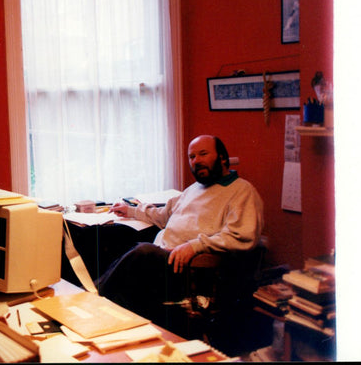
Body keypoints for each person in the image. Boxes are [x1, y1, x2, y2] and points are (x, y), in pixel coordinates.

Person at [97, 135, 263, 326]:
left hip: (192, 273)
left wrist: (195, 246)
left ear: (222, 158)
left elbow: (241, 237)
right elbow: (164, 215)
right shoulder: (194, 189)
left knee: (142, 253)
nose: (196, 161)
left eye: (203, 154)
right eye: (192, 156)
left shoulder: (242, 191)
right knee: (117, 243)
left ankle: (89, 302)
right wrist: (132, 210)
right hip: (164, 261)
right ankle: (94, 309)